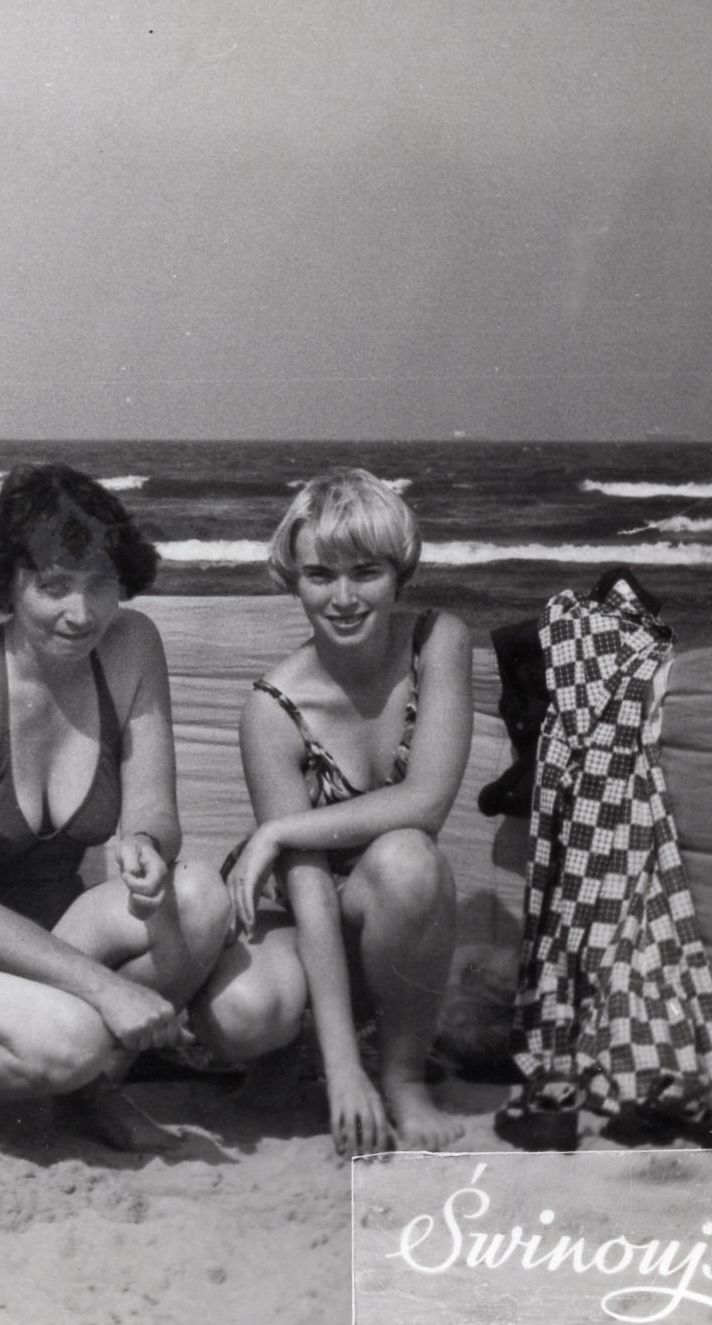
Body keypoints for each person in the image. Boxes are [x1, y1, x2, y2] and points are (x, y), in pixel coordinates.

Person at [0, 465, 231, 1152]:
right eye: (54, 586)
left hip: (46, 930)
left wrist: (148, 845)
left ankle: (92, 1090)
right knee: (72, 1038)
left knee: (202, 898)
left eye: (100, 584)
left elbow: (153, 805)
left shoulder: (132, 646)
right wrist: (106, 991)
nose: (82, 614)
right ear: (8, 584)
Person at [193, 469, 472, 1154]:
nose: (343, 599)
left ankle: (403, 1077)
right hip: (298, 911)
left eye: (365, 572)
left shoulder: (438, 641)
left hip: (386, 902)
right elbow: (309, 888)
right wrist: (344, 1074)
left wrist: (279, 829)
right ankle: (303, 1053)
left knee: (408, 857)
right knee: (243, 1015)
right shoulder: (272, 709)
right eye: (320, 575)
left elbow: (427, 800)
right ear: (294, 580)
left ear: (399, 573)